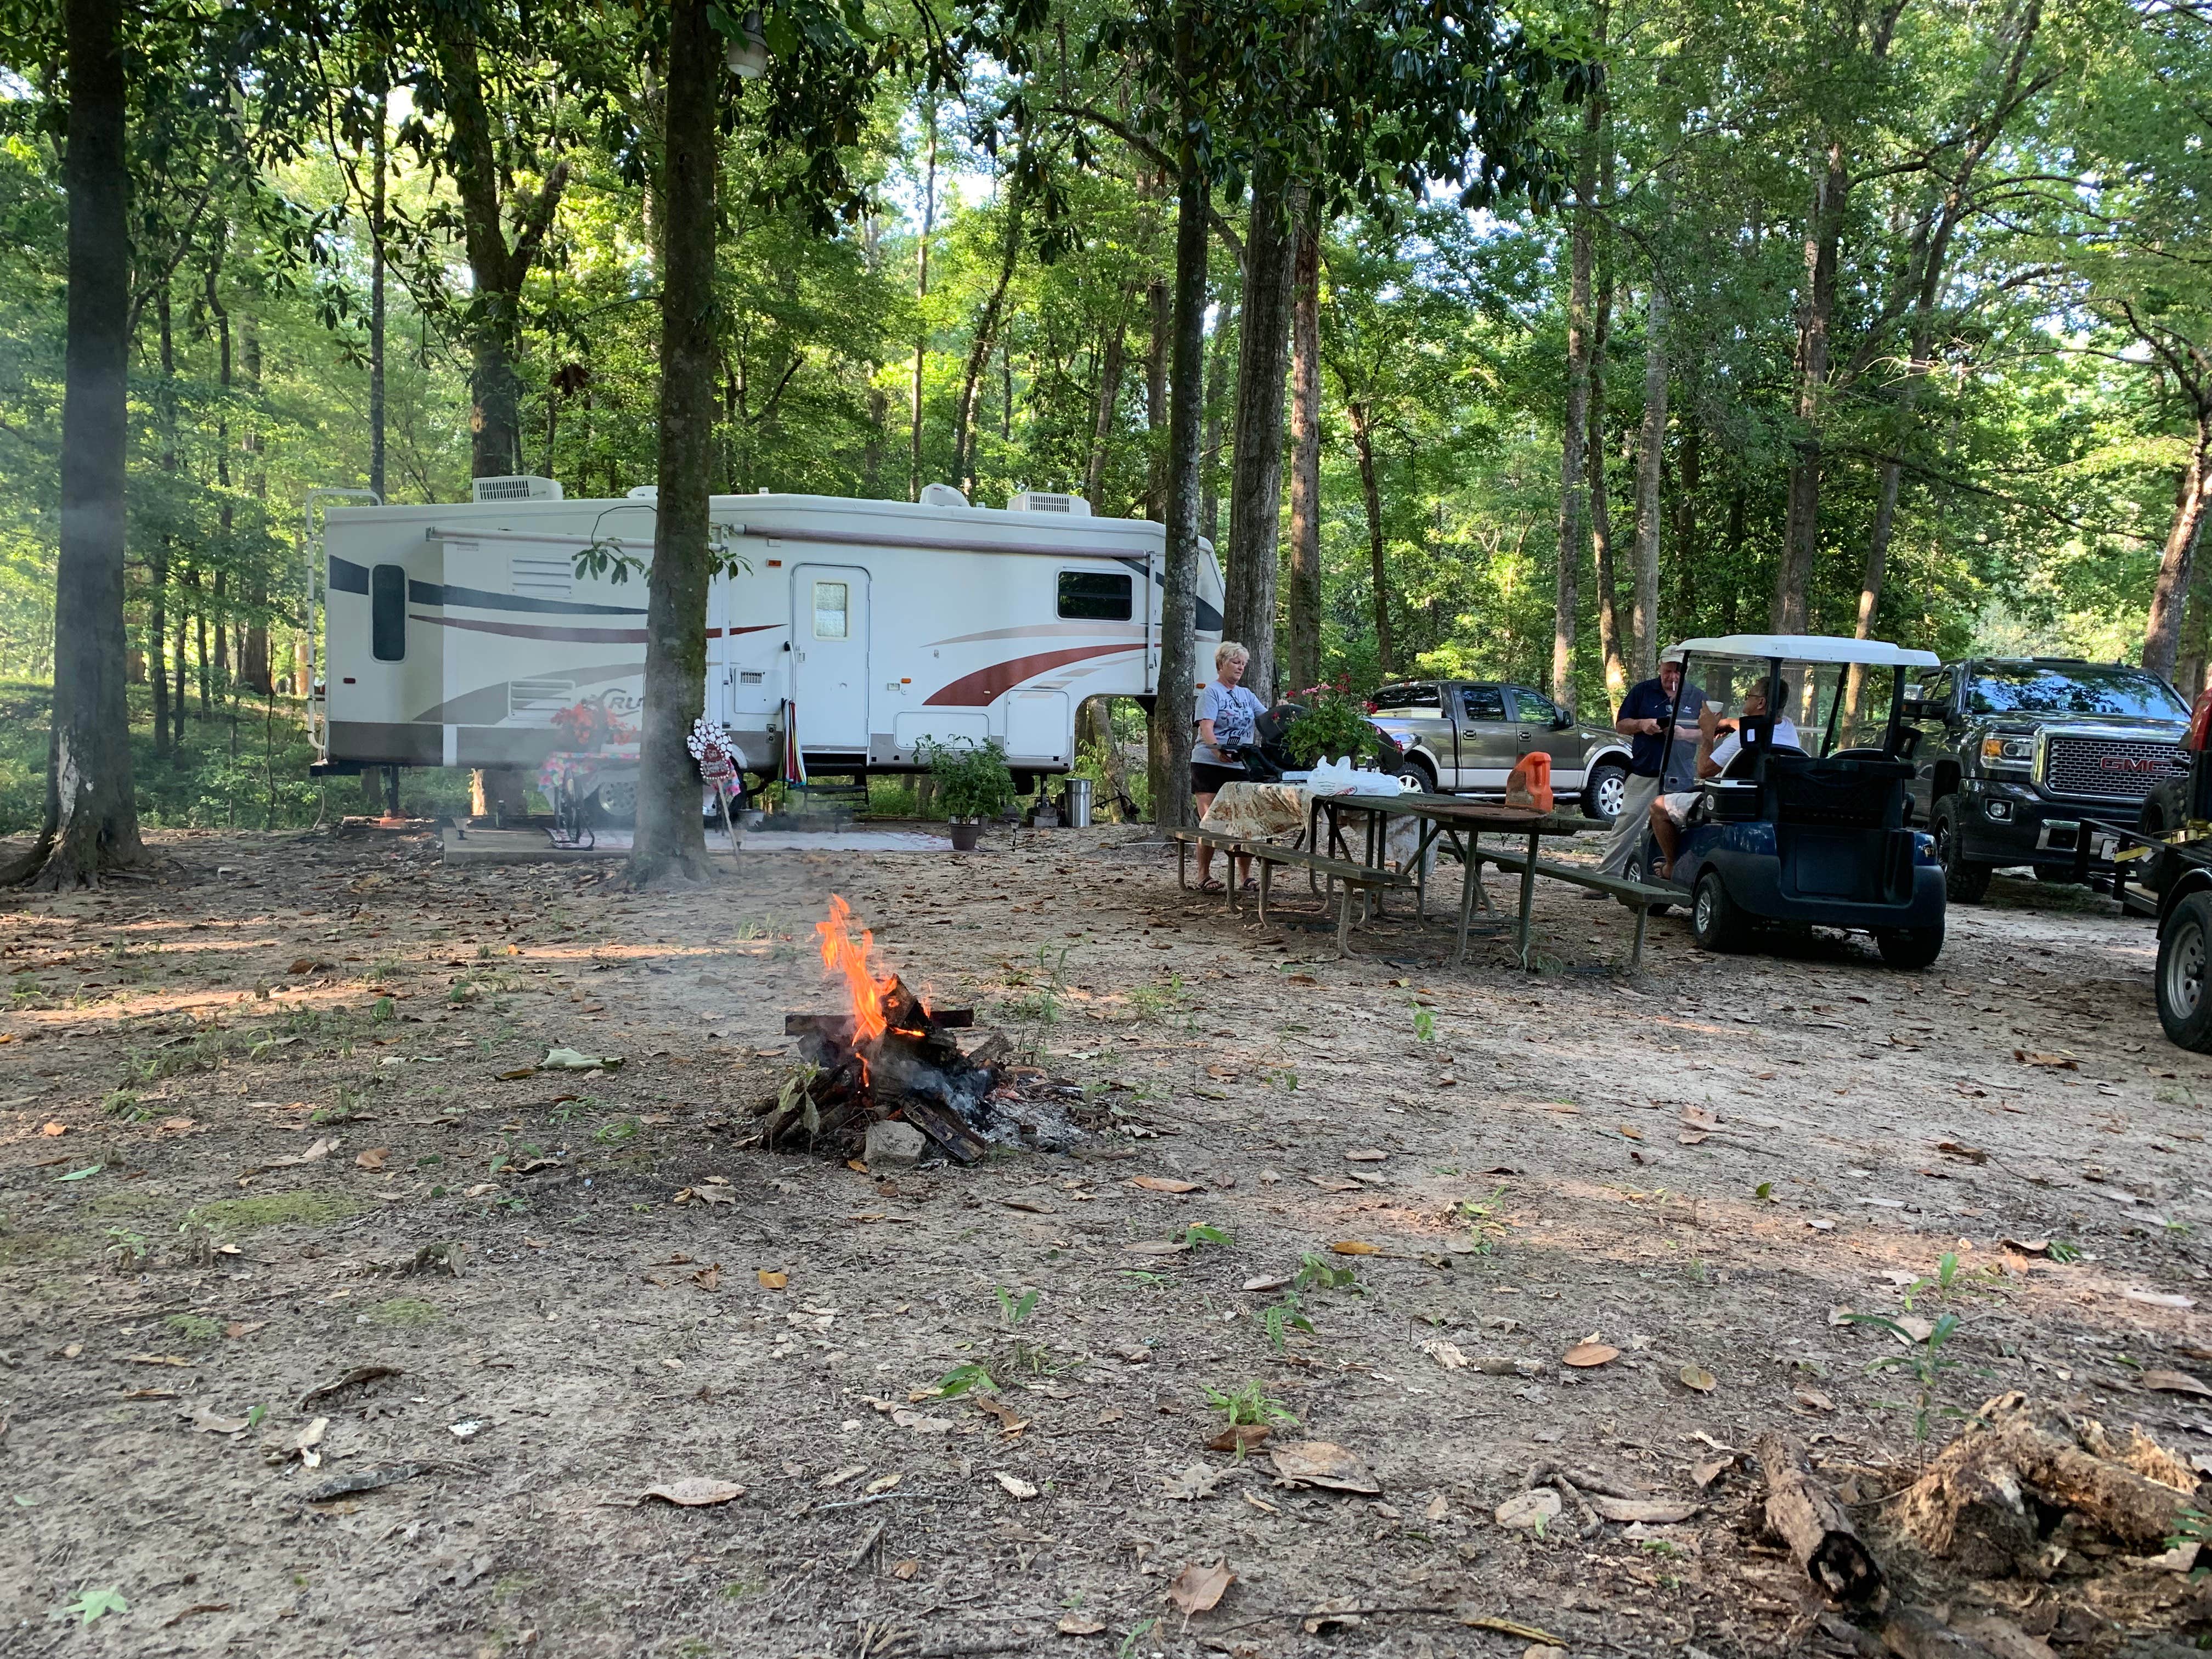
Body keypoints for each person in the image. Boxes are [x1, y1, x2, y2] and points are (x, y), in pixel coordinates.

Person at [1647, 678, 1799, 878]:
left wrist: (1708, 733)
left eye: (1749, 696)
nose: (1746, 699)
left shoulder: (1742, 738)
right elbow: (1760, 724)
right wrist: (1728, 723)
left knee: (1658, 806)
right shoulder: (1788, 727)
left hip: (1728, 802)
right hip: (1767, 801)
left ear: (1761, 702)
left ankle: (1672, 866)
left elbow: (1704, 770)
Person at [1591, 651, 1705, 884]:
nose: (1672, 676)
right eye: (1668, 670)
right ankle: (1606, 879)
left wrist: (1685, 734)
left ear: (1685, 671)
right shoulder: (1642, 691)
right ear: (1660, 667)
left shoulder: (1697, 696)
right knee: (1627, 822)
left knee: (1679, 827)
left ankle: (1675, 878)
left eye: (1678, 671)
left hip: (1680, 775)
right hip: (1644, 770)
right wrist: (1643, 724)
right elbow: (1622, 725)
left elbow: (1711, 733)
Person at [1192, 641, 1267, 893]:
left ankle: (1245, 876)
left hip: (1240, 765)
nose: (1240, 668)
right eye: (1236, 662)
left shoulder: (1247, 695)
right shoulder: (1211, 693)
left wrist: (1284, 718)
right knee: (1211, 821)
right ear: (1221, 664)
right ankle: (1204, 875)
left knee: (1244, 821)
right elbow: (1206, 727)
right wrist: (1217, 750)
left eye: (1244, 664)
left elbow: (1267, 720)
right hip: (1209, 764)